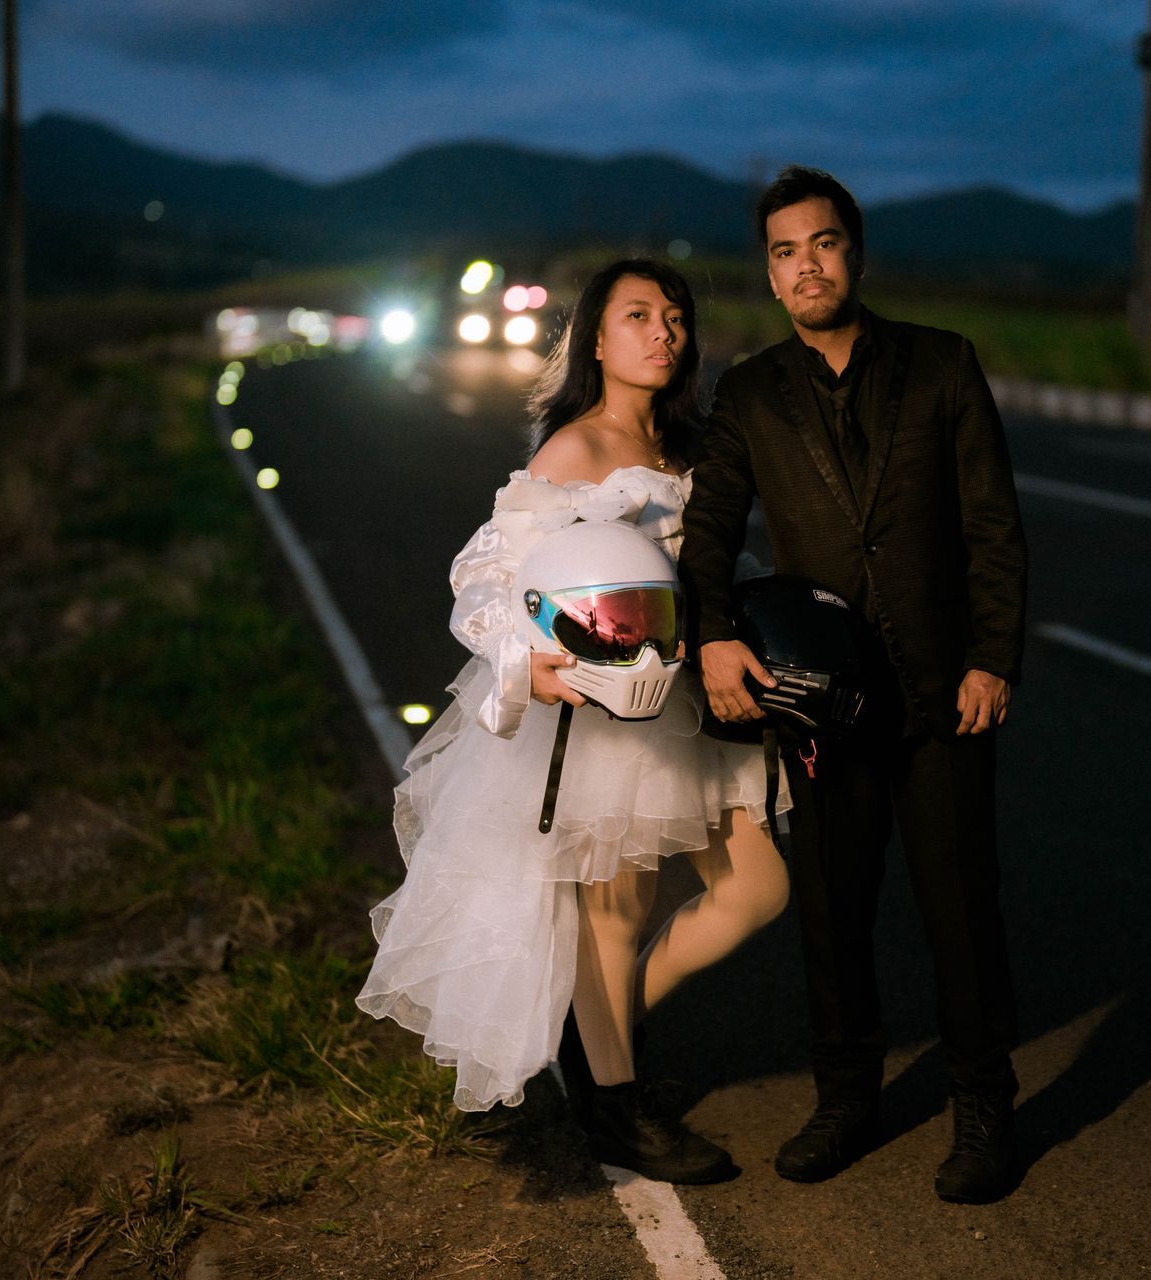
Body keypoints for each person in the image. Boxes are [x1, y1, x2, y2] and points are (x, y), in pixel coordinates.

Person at [357, 258, 790, 1185]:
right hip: (604, 722)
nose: (663, 331)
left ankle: (599, 1044)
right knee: (615, 913)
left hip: (688, 705)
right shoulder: (574, 450)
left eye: (674, 316)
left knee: (757, 890)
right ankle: (615, 1107)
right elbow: (484, 579)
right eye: (638, 315)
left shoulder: (689, 447)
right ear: (595, 337)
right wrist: (529, 665)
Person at [679, 166, 1028, 1204]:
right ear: (770, 273)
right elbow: (709, 530)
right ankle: (846, 1100)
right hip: (820, 700)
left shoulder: (943, 363)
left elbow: (993, 525)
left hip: (942, 693)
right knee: (832, 915)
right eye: (785, 252)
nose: (806, 266)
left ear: (856, 254)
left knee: (961, 913)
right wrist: (711, 637)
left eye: (822, 244)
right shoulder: (750, 392)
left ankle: (984, 1109)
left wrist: (993, 656)